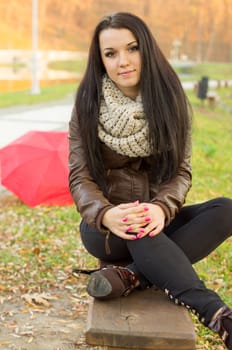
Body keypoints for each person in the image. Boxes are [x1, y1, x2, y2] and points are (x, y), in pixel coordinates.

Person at [68, 12, 232, 349]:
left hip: (156, 220)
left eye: (132, 48)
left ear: (147, 49)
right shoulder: (87, 104)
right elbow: (80, 176)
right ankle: (217, 315)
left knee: (226, 210)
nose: (123, 61)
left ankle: (130, 276)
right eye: (110, 53)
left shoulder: (171, 102)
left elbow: (180, 174)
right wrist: (105, 214)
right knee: (138, 226)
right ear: (100, 60)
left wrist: (160, 209)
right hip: (104, 228)